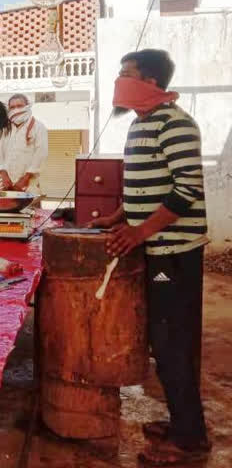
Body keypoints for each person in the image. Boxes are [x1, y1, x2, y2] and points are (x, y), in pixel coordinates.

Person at [88, 49, 211, 466]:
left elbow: (186, 189)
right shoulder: (141, 125)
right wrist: (120, 216)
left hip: (174, 252)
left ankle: (191, 439)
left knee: (174, 342)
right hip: (156, 249)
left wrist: (139, 232)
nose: (119, 82)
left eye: (127, 75)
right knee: (162, 340)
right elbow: (146, 187)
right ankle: (181, 423)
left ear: (152, 83)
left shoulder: (176, 124)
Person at [0, 92, 48, 194]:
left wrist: (25, 179)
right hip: (6, 184)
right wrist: (4, 176)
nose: (16, 110)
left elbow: (41, 154)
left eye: (19, 106)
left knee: (30, 209)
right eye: (12, 107)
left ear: (27, 106)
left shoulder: (38, 127)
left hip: (28, 185)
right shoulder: (7, 128)